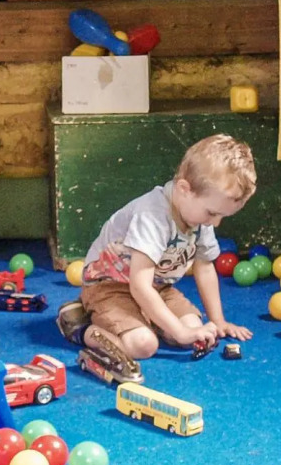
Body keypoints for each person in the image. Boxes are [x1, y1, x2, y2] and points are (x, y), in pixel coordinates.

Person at [57, 134, 256, 365]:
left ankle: (145, 319)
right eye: (212, 213)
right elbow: (139, 286)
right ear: (184, 189)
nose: (216, 223)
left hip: (157, 287)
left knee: (195, 332)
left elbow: (204, 267)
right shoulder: (152, 215)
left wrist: (217, 321)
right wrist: (180, 331)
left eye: (222, 215)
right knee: (144, 345)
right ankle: (80, 327)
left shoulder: (201, 217)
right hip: (110, 287)